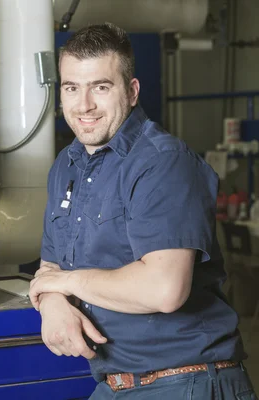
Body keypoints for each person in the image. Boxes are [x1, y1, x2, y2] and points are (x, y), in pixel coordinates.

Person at [28, 22, 257, 399]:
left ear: (131, 92)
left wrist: (65, 284)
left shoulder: (163, 163)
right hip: (116, 383)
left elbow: (164, 289)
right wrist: (51, 302)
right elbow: (51, 269)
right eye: (72, 87)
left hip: (187, 380)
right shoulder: (66, 167)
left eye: (100, 87)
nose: (83, 104)